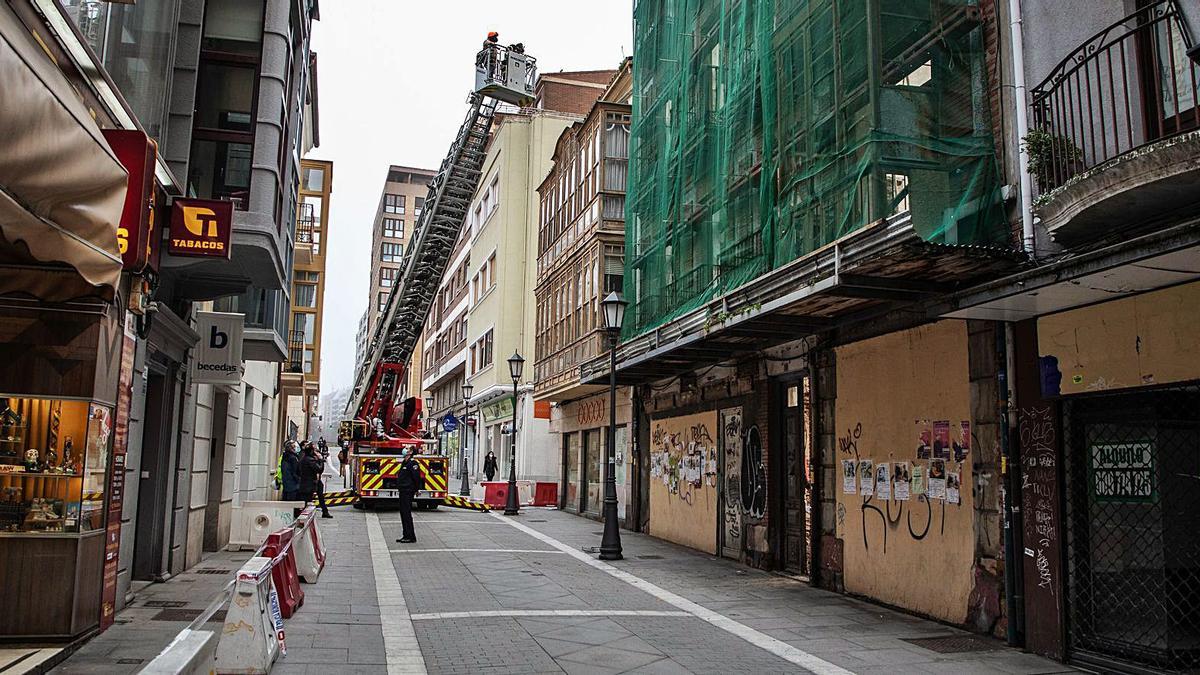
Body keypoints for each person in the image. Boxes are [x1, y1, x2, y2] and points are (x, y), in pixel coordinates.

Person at [395, 446, 422, 544]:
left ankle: (410, 536)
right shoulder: (404, 462)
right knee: (403, 513)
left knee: (406, 514)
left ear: (410, 453)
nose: (404, 450)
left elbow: (416, 477)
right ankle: (406, 535)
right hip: (402, 491)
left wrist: (416, 489)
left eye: (407, 449)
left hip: (408, 491)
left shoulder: (413, 464)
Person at [299, 442, 332, 518]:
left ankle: (325, 511)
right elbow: (319, 469)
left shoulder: (306, 458)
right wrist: (320, 460)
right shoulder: (310, 460)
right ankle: (305, 516)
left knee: (319, 496)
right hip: (310, 482)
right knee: (308, 500)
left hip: (311, 481)